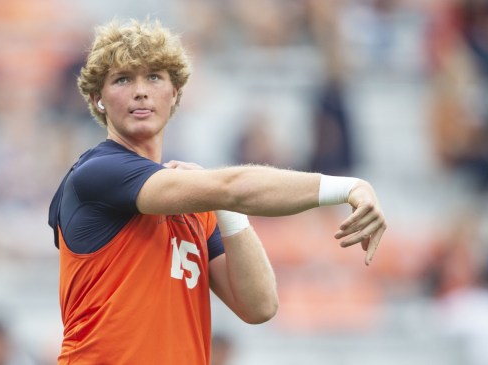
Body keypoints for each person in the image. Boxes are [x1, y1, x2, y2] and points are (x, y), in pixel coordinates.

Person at [48, 19, 387, 365]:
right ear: (97, 98)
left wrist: (227, 210)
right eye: (123, 79)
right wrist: (348, 187)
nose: (140, 91)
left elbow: (260, 305)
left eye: (154, 77)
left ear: (175, 92)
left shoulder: (199, 202)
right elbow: (233, 187)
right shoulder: (98, 172)